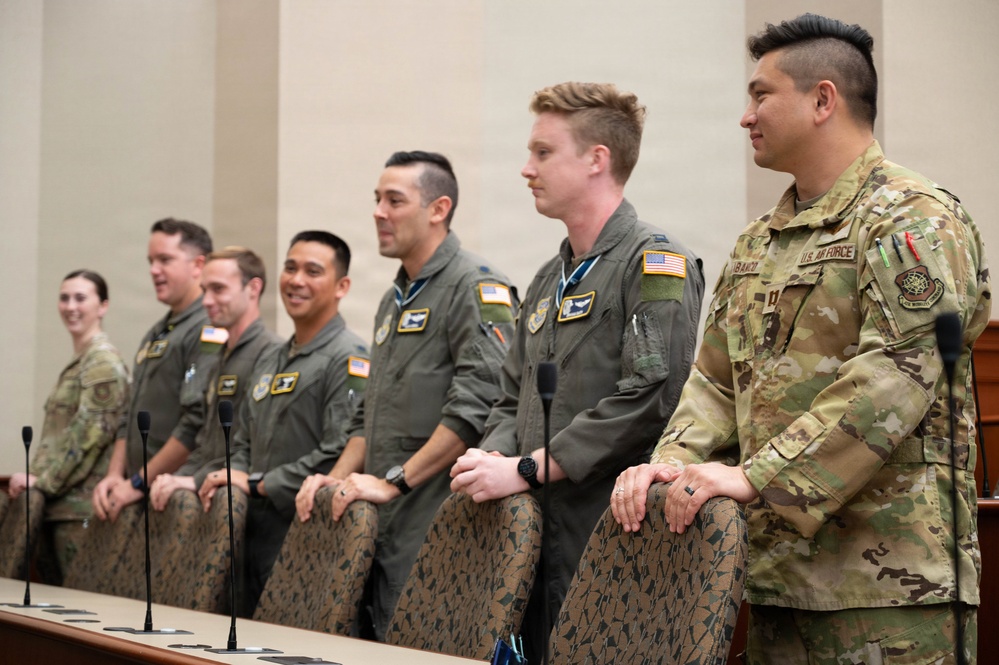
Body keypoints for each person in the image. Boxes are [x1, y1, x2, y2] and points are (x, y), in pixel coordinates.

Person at [612, 14, 990, 664]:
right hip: (776, 581)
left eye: (761, 94)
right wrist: (670, 464)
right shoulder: (760, 239)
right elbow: (712, 381)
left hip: (886, 587)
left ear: (822, 99)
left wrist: (753, 476)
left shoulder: (911, 218)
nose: (744, 115)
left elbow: (893, 374)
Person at [449, 81, 703, 659]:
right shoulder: (547, 278)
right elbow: (508, 392)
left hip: (611, 533)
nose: (526, 169)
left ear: (597, 160)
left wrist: (527, 468)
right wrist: (492, 457)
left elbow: (652, 397)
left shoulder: (655, 262)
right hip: (525, 539)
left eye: (542, 152)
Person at [295, 151, 516, 639]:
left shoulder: (475, 287)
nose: (378, 211)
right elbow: (365, 416)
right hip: (377, 520)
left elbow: (475, 410)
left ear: (437, 209)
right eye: (377, 199)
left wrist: (394, 481)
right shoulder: (393, 299)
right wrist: (333, 481)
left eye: (394, 200)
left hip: (433, 522)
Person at [198, 230, 369, 616]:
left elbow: (341, 452)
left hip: (305, 539)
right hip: (248, 537)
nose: (296, 280)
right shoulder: (272, 358)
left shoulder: (349, 357)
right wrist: (232, 473)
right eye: (290, 268)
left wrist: (258, 484)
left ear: (341, 286)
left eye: (312, 271)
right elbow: (242, 438)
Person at [92, 218, 218, 522]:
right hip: (138, 490)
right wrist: (114, 476)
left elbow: (194, 423)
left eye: (165, 260)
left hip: (174, 494)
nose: (153, 270)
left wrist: (139, 480)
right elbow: (129, 414)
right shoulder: (158, 332)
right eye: (151, 261)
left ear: (197, 265)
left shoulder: (207, 329)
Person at [7, 270, 130, 582]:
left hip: (81, 512)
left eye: (81, 298)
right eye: (64, 298)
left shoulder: (101, 362)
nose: (70, 306)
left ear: (102, 306)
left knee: (77, 608)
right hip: (59, 506)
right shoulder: (82, 361)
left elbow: (89, 437)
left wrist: (43, 483)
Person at [149, 247, 281, 511]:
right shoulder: (220, 355)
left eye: (218, 289)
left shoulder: (270, 354)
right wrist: (178, 477)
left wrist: (193, 479)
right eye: (205, 289)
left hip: (243, 508)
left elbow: (251, 448)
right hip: (210, 498)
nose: (206, 300)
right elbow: (207, 442)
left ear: (253, 289)